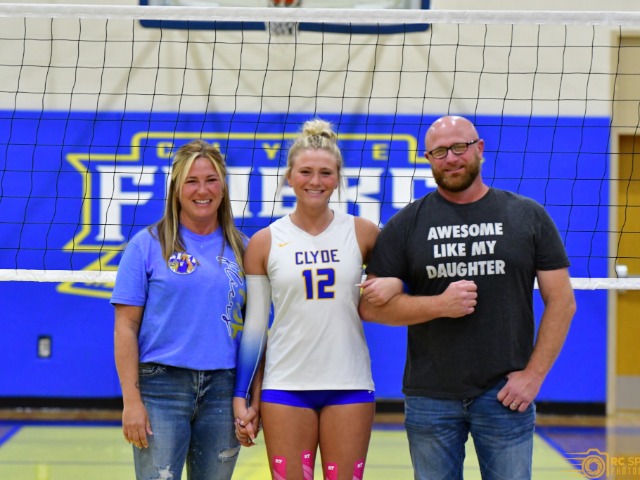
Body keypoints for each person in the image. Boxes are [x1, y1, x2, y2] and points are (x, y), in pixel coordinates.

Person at [358, 115, 577, 480]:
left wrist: (534, 376)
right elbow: (370, 308)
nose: (451, 158)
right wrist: (439, 305)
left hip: (504, 393)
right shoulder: (406, 224)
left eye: (459, 147)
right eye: (439, 151)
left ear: (479, 148)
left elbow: (563, 302)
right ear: (428, 159)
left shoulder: (527, 216)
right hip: (430, 397)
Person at [232, 118, 402, 480]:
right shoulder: (265, 241)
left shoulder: (363, 233)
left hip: (349, 383)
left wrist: (395, 282)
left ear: (338, 178)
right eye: (306, 172)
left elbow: (398, 280)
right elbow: (255, 328)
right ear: (289, 178)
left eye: (326, 173)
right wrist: (242, 394)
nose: (316, 181)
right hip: (285, 385)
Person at [111, 139, 247, 480]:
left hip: (224, 389)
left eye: (211, 180)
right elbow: (125, 327)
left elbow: (257, 332)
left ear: (223, 187)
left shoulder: (244, 248)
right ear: (175, 189)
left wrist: (249, 397)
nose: (202, 190)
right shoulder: (146, 245)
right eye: (191, 181)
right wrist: (131, 401)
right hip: (161, 388)